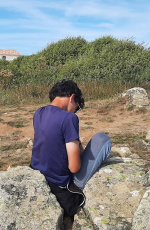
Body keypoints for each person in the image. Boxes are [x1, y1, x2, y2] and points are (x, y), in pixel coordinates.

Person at [30, 79, 112, 227]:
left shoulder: (39, 113)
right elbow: (74, 168)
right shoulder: (69, 118)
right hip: (64, 193)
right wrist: (78, 147)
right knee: (102, 139)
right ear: (72, 97)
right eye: (78, 106)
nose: (76, 110)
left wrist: (75, 143)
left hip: (40, 177)